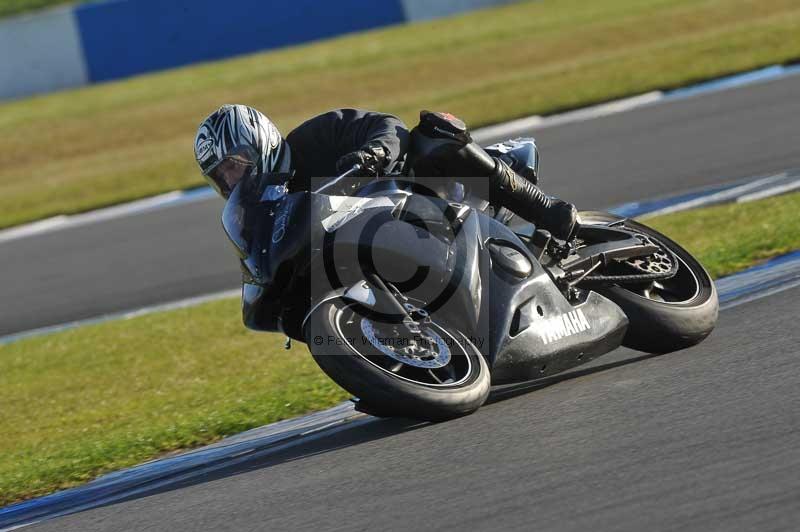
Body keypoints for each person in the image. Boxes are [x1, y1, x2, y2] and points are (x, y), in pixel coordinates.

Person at [194, 104, 578, 240]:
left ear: (258, 142)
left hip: (423, 190)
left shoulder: (314, 137)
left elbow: (386, 124)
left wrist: (374, 152)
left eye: (233, 163)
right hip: (381, 240)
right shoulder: (268, 210)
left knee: (434, 134)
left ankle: (546, 209)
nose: (231, 179)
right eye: (220, 175)